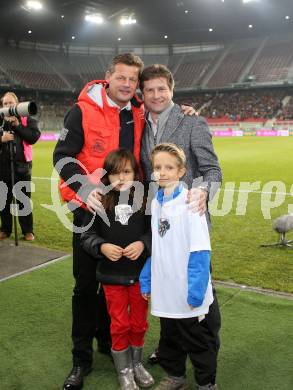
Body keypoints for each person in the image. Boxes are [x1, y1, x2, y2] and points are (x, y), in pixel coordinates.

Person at [53, 53, 197, 390]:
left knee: (120, 278)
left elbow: (162, 107)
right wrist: (86, 188)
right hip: (91, 207)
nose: (128, 85)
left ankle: (109, 341)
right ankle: (80, 360)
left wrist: (184, 111)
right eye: (122, 78)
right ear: (108, 77)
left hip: (130, 208)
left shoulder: (137, 109)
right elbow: (62, 156)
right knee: (86, 286)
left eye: (133, 80)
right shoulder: (82, 110)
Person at [140, 64, 222, 366]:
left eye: (162, 88)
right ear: (143, 94)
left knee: (201, 299)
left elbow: (212, 169)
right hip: (159, 221)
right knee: (166, 289)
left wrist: (202, 192)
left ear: (171, 90)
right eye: (150, 90)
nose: (156, 95)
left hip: (190, 223)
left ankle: (207, 364)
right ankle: (168, 353)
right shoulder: (140, 123)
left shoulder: (192, 121)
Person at [140, 143, 220, 390]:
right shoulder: (156, 203)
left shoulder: (191, 201)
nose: (162, 172)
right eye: (157, 167)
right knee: (170, 339)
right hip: (167, 291)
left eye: (169, 167)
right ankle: (176, 377)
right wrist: (147, 278)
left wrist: (196, 290)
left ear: (181, 171)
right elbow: (159, 245)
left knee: (198, 341)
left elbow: (200, 249)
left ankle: (206, 383)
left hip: (188, 291)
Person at [80, 148, 154, 390]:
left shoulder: (145, 200)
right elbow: (86, 236)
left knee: (139, 323)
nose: (120, 178)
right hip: (112, 277)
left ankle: (136, 364)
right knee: (120, 324)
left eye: (126, 172)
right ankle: (123, 370)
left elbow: (155, 233)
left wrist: (142, 243)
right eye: (114, 173)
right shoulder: (98, 200)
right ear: (106, 176)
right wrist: (102, 247)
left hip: (140, 276)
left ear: (135, 174)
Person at [0, 92, 40, 241]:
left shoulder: (27, 120)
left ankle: (27, 231)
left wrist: (17, 126)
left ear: (17, 105)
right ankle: (5, 229)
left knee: (23, 201)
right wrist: (1, 139)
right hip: (2, 168)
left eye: (11, 103)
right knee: (3, 201)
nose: (8, 106)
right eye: (5, 104)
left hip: (22, 168)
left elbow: (33, 137)